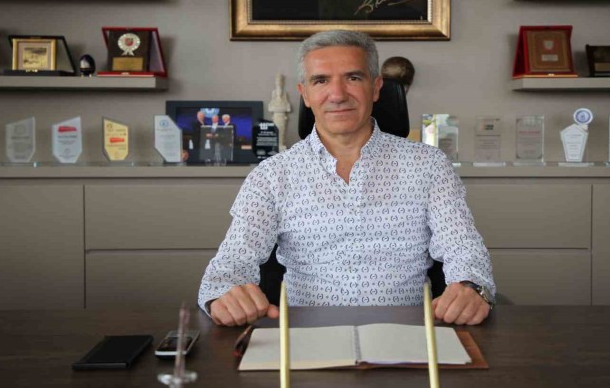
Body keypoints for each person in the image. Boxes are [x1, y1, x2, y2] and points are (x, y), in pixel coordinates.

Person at [198, 30, 495, 327]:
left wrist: (471, 287)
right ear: (305, 94)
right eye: (321, 80)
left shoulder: (429, 165)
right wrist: (223, 296)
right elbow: (227, 269)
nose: (338, 95)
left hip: (408, 333)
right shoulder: (271, 175)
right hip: (307, 336)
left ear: (376, 88)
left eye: (353, 78)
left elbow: (464, 248)